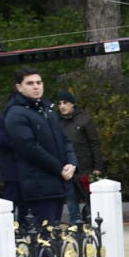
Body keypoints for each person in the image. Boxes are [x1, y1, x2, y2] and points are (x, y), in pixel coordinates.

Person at [3, 68, 76, 226]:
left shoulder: (47, 109)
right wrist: (59, 168)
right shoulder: (16, 113)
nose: (36, 86)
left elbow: (64, 139)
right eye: (30, 83)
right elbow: (30, 149)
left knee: (54, 235)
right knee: (43, 238)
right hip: (37, 186)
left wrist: (71, 162)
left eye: (39, 82)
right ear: (19, 87)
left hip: (56, 183)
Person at [54, 90, 105, 223]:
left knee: (90, 198)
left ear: (72, 104)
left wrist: (98, 166)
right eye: (59, 103)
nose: (62, 106)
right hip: (67, 168)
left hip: (86, 167)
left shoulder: (84, 119)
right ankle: (75, 223)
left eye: (65, 103)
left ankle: (92, 220)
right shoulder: (56, 122)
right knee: (71, 199)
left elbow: (95, 143)